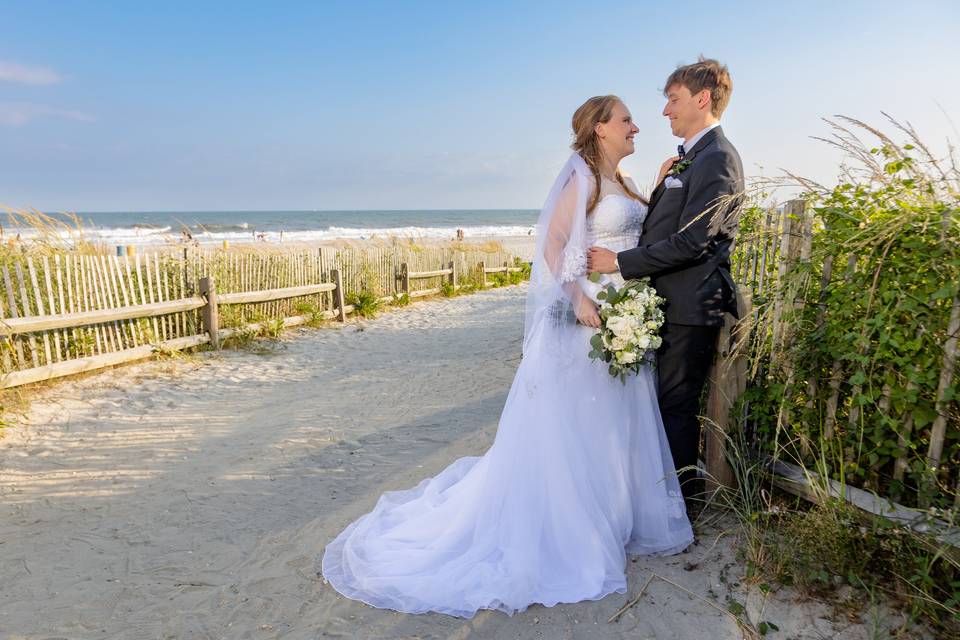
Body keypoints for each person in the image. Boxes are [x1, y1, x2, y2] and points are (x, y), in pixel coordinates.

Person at [321, 95, 693, 618]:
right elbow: (554, 244)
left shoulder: (629, 184)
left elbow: (635, 235)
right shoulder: (580, 178)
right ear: (600, 129)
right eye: (626, 119)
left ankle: (612, 518)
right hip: (587, 320)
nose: (636, 126)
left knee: (614, 423)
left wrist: (656, 187)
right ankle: (572, 528)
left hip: (623, 310)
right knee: (575, 425)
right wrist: (579, 298)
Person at [588, 58, 744, 512]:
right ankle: (658, 503)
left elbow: (695, 241)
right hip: (668, 301)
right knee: (659, 406)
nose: (665, 112)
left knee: (675, 409)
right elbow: (666, 225)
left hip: (691, 305)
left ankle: (678, 509)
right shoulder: (690, 157)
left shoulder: (718, 158)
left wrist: (620, 261)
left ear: (702, 98)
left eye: (672, 100)